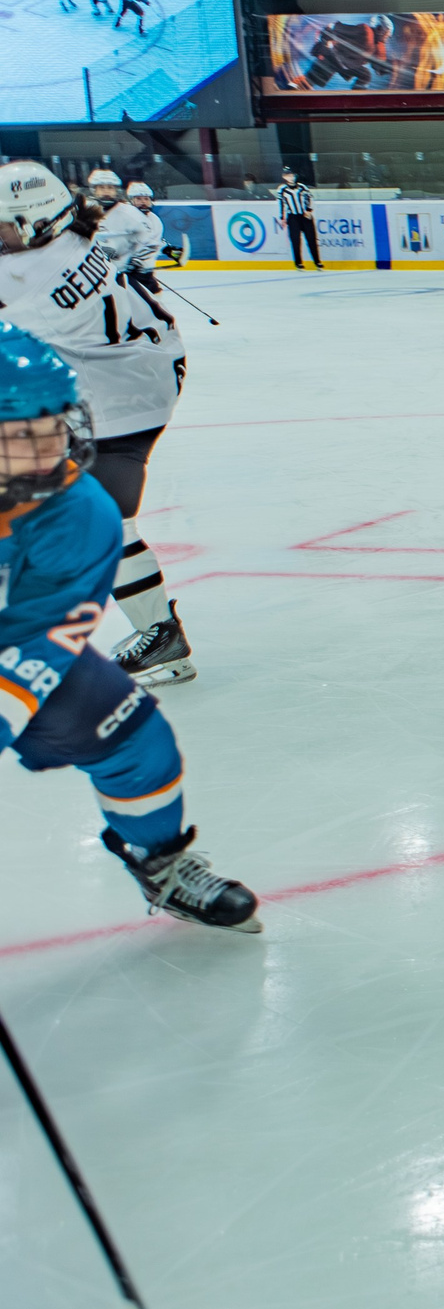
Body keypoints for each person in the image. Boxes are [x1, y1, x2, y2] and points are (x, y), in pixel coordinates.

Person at [0, 192, 251, 928]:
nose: (47, 457)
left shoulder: (78, 515)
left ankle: (160, 860)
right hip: (148, 373)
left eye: (54, 434)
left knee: (130, 729)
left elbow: (47, 635)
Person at [9, 168, 197, 686]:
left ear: (38, 223)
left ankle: (158, 637)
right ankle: (157, 635)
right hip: (148, 374)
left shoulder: (27, 277)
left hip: (120, 401)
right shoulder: (72, 235)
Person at [278, 167, 321, 269]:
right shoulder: (282, 189)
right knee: (295, 240)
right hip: (293, 217)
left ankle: (317, 261)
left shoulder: (302, 187)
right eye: (288, 176)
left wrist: (309, 210)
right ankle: (298, 262)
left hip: (305, 216)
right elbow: (281, 204)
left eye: (292, 175)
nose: (291, 178)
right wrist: (282, 217)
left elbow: (310, 198)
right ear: (284, 177)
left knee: (311, 239)